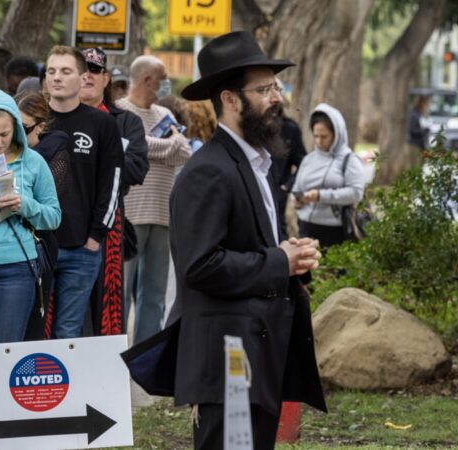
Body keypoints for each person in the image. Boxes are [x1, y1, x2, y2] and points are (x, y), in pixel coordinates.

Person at [172, 31, 326, 449]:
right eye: (263, 89)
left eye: (276, 87)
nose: (276, 97)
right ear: (230, 99)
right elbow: (198, 265)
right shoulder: (208, 170)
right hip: (226, 361)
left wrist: (291, 258)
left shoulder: (259, 163)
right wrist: (280, 260)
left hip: (257, 356)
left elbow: (256, 247)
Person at [44, 45, 123, 339]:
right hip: (36, 246)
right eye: (51, 71)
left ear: (82, 77)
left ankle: (66, 388)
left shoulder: (102, 124)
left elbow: (112, 182)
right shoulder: (33, 118)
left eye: (65, 71)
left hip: (81, 248)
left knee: (68, 333)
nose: (57, 78)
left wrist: (95, 236)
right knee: (33, 330)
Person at [0, 89, 61, 343]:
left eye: (5, 134)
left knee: (7, 348)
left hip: (17, 265)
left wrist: (25, 205)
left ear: (17, 130)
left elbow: (54, 217)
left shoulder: (33, 162)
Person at [117, 55, 190, 345]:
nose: (166, 84)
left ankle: (146, 348)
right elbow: (133, 146)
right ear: (148, 80)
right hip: (131, 214)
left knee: (155, 291)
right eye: (163, 78)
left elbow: (184, 151)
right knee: (121, 291)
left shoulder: (164, 115)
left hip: (162, 214)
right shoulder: (121, 112)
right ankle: (117, 347)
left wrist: (149, 148)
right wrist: (164, 146)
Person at [79, 47, 149, 336]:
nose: (87, 76)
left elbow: (136, 169)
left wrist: (91, 161)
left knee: (104, 305)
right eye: (80, 69)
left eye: (94, 70)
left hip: (109, 227)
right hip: (64, 224)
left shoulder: (126, 122)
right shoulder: (56, 117)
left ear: (105, 78)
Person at [15, 90, 71, 339]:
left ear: (41, 127)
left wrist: (21, 202)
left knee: (31, 326)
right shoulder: (2, 149)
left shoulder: (54, 153)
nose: (15, 135)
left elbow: (50, 211)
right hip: (2, 249)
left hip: (37, 245)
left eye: (23, 128)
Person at [292, 104, 365, 249]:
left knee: (334, 271)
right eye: (316, 136)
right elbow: (297, 187)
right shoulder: (308, 160)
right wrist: (297, 200)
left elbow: (356, 193)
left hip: (335, 230)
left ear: (337, 133)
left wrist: (320, 196)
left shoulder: (349, 159)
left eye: (324, 136)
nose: (319, 141)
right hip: (306, 227)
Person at [269, 82, 306, 237]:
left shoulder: (290, 129)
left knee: (278, 232)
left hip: (278, 193)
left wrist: (287, 185)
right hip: (255, 189)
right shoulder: (252, 129)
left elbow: (303, 161)